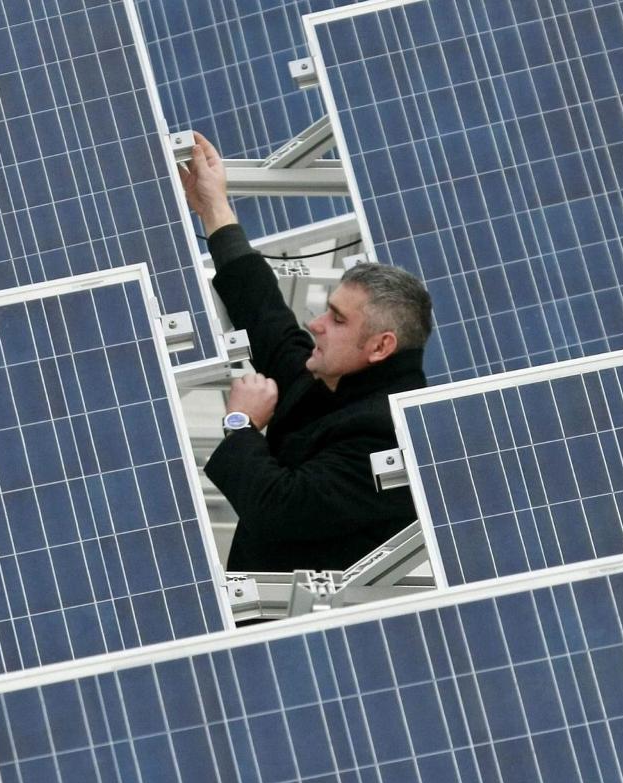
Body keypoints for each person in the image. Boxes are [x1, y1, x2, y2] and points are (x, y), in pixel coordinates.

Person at [179, 132, 433, 572]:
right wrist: (213, 207)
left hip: (294, 612)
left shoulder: (391, 437)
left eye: (337, 319)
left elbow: (281, 508)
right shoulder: (332, 377)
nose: (316, 324)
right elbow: (265, 316)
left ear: (380, 347)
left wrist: (241, 424)